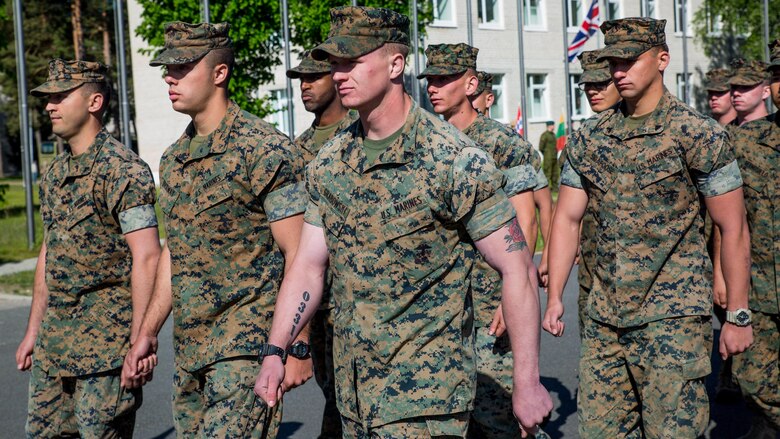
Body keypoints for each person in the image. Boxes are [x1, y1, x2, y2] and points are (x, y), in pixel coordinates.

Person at [254, 6, 552, 438]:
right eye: (335, 64)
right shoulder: (330, 163)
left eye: (353, 61)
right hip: (354, 397)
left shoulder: (453, 159)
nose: (339, 74)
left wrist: (526, 383)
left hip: (426, 400)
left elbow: (517, 268)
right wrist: (276, 349)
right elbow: (307, 265)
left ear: (396, 64)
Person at [543, 18, 753, 438]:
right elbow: (567, 218)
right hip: (604, 320)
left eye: (629, 60)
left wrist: (738, 315)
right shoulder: (590, 138)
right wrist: (554, 297)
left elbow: (733, 228)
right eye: (612, 62)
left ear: (662, 59)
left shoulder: (697, 135)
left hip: (672, 321)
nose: (618, 71)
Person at [121, 22, 309, 437]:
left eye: (183, 67)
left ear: (219, 74)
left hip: (246, 348)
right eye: (166, 69)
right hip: (191, 350)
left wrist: (298, 344)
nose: (169, 77)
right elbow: (177, 252)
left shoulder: (263, 149)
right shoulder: (173, 160)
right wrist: (147, 332)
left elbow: (302, 255)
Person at [17, 58, 160, 438]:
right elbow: (50, 253)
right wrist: (34, 330)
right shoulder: (54, 173)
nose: (49, 105)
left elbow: (147, 257)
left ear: (94, 102)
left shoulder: (123, 171)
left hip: (106, 350)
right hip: (54, 345)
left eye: (61, 96)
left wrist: (139, 341)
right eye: (48, 97)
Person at [420, 42, 548, 439]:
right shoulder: (426, 143)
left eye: (445, 79)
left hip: (491, 295)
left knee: (503, 415)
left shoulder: (501, 144)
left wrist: (514, 298)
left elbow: (525, 221)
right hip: (443, 302)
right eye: (431, 80)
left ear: (471, 83)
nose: (434, 88)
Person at [286, 49, 357, 439]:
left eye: (313, 77)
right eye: (300, 80)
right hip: (317, 300)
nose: (305, 86)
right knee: (332, 391)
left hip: (360, 295)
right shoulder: (296, 151)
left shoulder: (362, 134)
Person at [717, 55, 779, 437]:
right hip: (759, 290)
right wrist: (719, 277)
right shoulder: (742, 141)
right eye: (776, 76)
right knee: (752, 377)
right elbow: (726, 223)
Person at [540, 49, 622, 333]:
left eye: (601, 84)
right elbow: (566, 214)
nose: (592, 91)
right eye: (588, 85)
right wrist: (553, 254)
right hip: (593, 272)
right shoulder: (582, 140)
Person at [539, 121, 558, 189]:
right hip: (548, 157)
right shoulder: (545, 135)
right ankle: (545, 189)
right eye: (552, 125)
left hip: (554, 157)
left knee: (555, 173)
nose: (554, 126)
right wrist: (546, 154)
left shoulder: (553, 134)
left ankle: (555, 188)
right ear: (549, 126)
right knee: (547, 173)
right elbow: (541, 147)